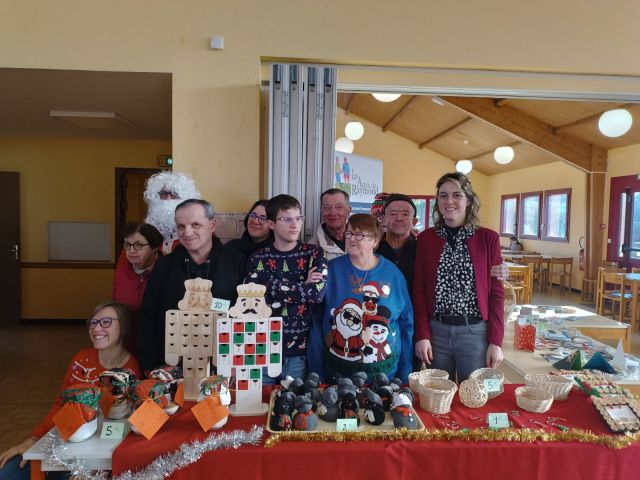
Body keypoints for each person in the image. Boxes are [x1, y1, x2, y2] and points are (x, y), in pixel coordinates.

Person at [0, 302, 141, 480]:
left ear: (124, 327)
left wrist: (93, 470)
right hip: (63, 444)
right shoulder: (82, 358)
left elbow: (123, 430)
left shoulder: (131, 369)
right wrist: (34, 439)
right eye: (93, 322)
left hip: (98, 459)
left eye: (106, 322)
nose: (96, 328)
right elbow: (60, 405)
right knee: (7, 472)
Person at [413, 172, 504, 382]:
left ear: (469, 200)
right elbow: (419, 291)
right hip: (437, 333)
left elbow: (497, 294)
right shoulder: (426, 238)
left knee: (473, 397)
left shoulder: (488, 239)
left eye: (457, 195)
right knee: (437, 398)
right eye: (443, 195)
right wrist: (422, 335)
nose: (449, 201)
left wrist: (496, 341)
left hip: (474, 333)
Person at [136, 199, 245, 373]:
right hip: (173, 366)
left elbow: (246, 317)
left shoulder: (237, 262)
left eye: (196, 225)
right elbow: (148, 318)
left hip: (224, 365)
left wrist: (239, 363)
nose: (187, 232)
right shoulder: (164, 266)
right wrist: (151, 366)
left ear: (212, 225)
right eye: (181, 226)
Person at [308, 214, 413, 383]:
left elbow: (406, 324)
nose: (352, 239)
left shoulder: (393, 274)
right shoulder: (330, 271)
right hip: (337, 377)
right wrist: (316, 372)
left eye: (359, 235)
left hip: (384, 377)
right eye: (349, 234)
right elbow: (316, 322)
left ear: (375, 241)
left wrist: (405, 373)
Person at [245, 194, 328, 382]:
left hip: (299, 352)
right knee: (261, 403)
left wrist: (271, 285)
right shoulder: (258, 258)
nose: (295, 224)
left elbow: (316, 294)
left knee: (294, 406)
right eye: (287, 219)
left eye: (298, 218)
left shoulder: (313, 253)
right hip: (262, 349)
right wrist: (302, 286)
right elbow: (253, 297)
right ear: (272, 224)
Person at [143, 171, 201, 254]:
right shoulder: (145, 230)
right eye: (163, 194)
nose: (168, 199)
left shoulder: (200, 227)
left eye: (174, 194)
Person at [113, 222, 164, 312]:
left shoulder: (168, 272)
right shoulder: (121, 273)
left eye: (138, 245)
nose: (131, 251)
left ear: (155, 247)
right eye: (128, 245)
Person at [375, 194, 418, 297]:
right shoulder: (373, 249)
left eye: (405, 214)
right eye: (393, 214)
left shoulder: (421, 249)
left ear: (414, 221)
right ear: (383, 219)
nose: (399, 218)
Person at [309, 188, 351, 260]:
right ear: (321, 211)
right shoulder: (312, 247)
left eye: (339, 207)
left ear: (349, 210)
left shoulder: (362, 240)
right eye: (327, 207)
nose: (333, 213)